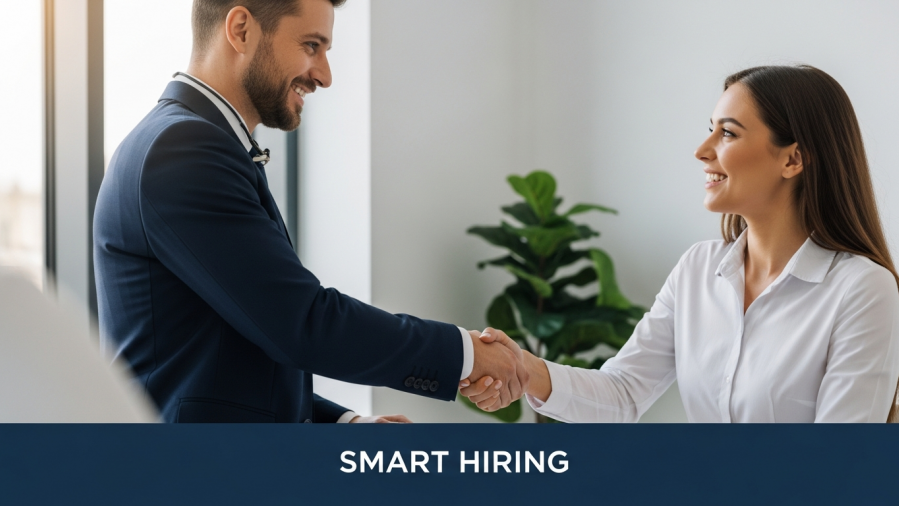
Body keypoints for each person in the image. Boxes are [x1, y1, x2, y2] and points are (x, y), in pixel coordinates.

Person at [93, 0, 522, 423]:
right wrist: (463, 356)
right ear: (241, 29)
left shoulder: (194, 144)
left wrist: (346, 425)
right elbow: (300, 322)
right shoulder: (183, 150)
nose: (324, 75)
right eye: (311, 46)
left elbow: (230, 355)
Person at [461, 65, 899, 423]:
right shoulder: (698, 270)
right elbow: (622, 393)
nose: (702, 150)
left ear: (792, 159)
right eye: (711, 130)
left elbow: (842, 467)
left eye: (727, 133)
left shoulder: (862, 289)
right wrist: (525, 367)